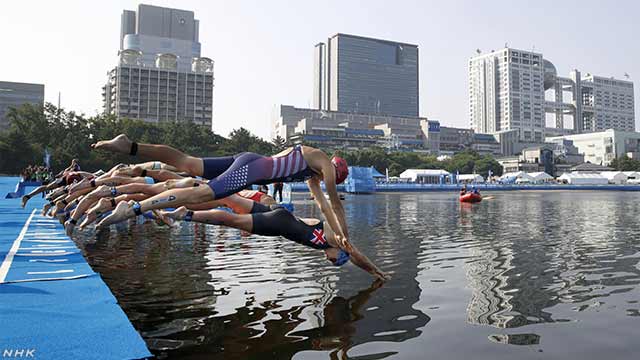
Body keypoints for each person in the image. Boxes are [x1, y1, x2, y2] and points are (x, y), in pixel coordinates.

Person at [91, 134, 349, 240]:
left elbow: (324, 207)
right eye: (334, 179)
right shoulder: (322, 161)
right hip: (251, 170)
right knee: (201, 193)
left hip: (249, 160)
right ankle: (134, 208)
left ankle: (131, 146)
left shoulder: (311, 172)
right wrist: (344, 237)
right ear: (335, 170)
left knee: (188, 163)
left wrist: (337, 234)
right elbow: (334, 203)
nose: (329, 182)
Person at [154, 195, 388, 281]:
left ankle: (169, 204)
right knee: (231, 220)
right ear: (341, 252)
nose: (330, 261)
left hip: (280, 215)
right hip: (278, 223)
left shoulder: (322, 238)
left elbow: (304, 220)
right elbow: (357, 255)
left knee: (229, 200)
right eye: (336, 261)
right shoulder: (334, 239)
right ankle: (186, 214)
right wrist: (376, 272)